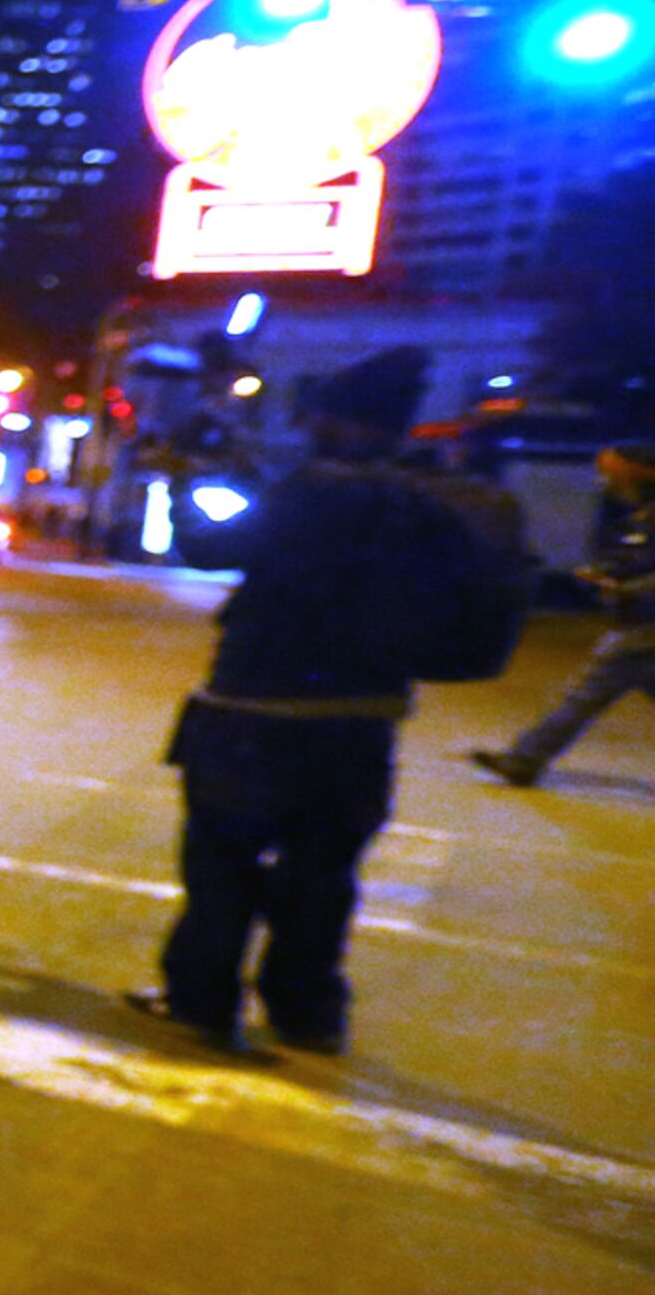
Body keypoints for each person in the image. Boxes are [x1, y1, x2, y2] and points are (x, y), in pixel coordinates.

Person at [137, 346, 445, 1057]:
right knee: (324, 876)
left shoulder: (314, 493)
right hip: (366, 721)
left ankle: (201, 1003)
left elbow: (210, 548)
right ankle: (310, 1013)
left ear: (338, 419)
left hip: (259, 715)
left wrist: (185, 486)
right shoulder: (426, 495)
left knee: (222, 869)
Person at [472, 441, 655, 787]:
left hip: (643, 630)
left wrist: (626, 588)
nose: (607, 484)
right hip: (638, 626)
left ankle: (524, 759)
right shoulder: (641, 516)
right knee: (586, 693)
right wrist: (607, 573)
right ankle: (525, 758)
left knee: (585, 693)